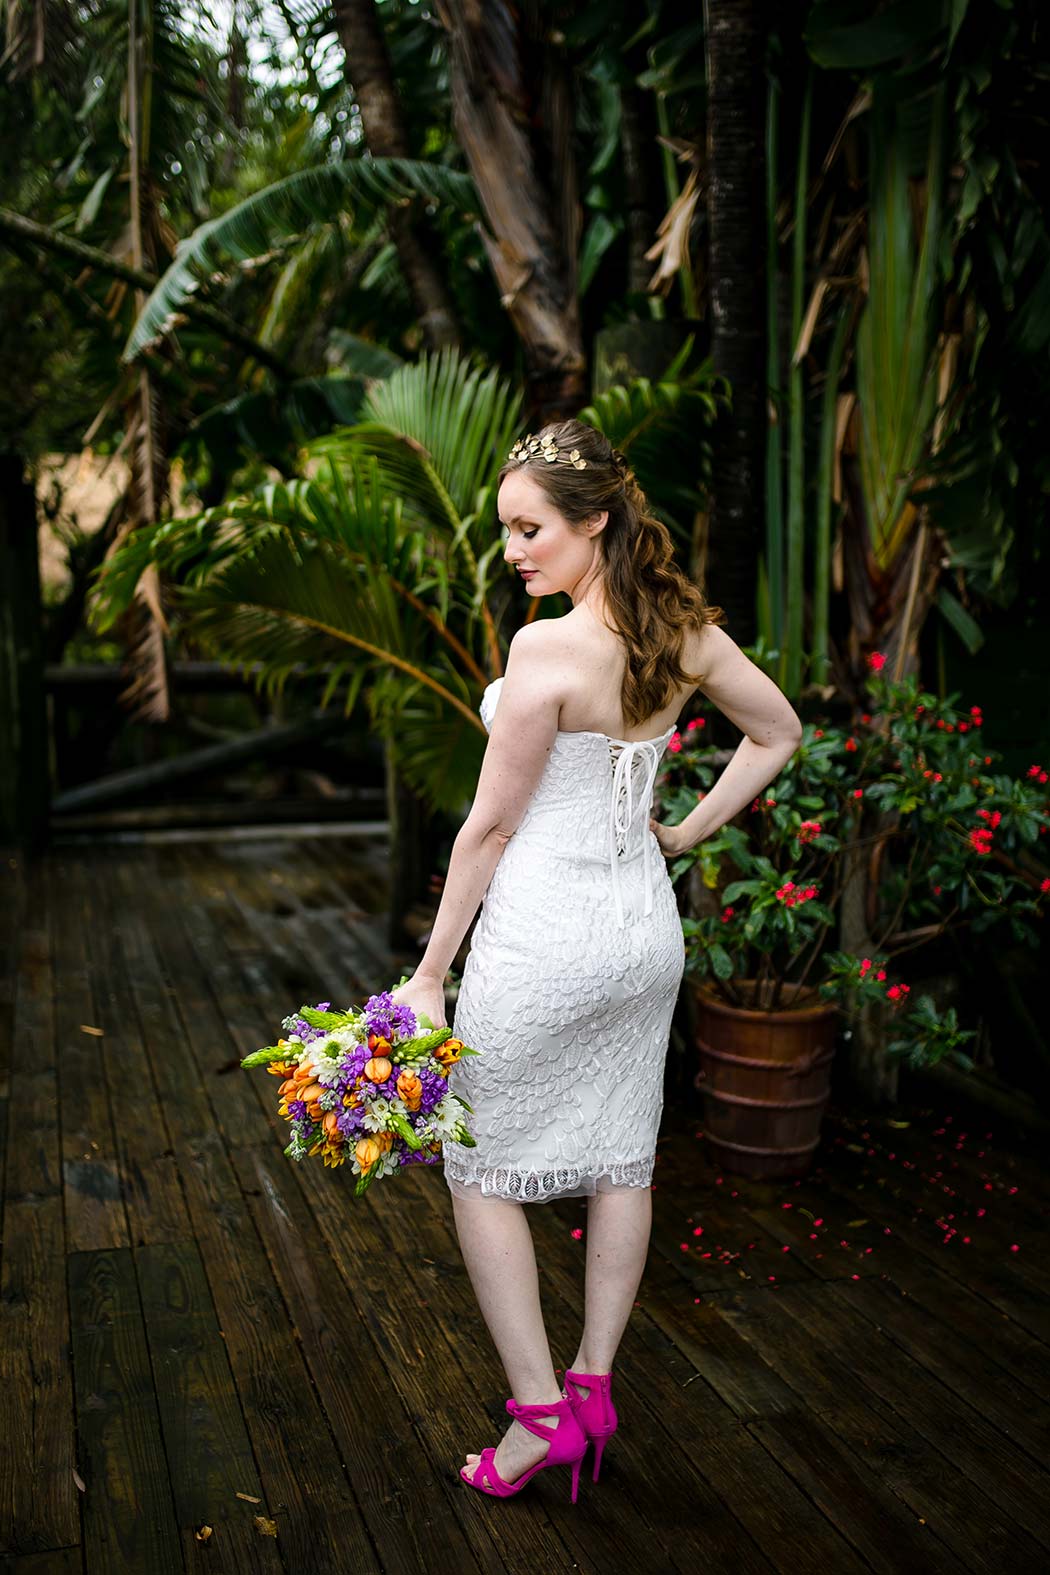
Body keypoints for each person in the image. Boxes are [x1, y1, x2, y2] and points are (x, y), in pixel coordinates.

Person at [390, 419, 803, 1501]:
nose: (514, 552)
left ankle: (536, 1419)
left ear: (597, 521)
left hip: (546, 936)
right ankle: (592, 1385)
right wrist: (684, 833)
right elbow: (780, 732)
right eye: (507, 533)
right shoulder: (684, 633)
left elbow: (485, 830)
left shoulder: (546, 650)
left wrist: (430, 974)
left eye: (530, 530)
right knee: (624, 1160)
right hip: (642, 935)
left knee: (478, 1171)